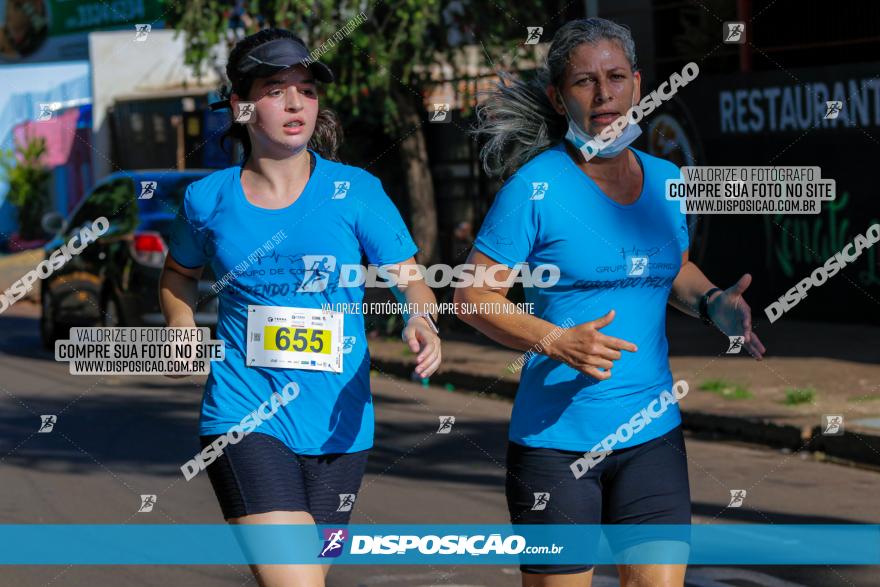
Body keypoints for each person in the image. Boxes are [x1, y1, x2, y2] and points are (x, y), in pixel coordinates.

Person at [457, 17, 765, 587]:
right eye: (584, 82)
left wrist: (715, 303)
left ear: (638, 84)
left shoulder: (667, 179)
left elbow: (674, 271)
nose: (603, 95)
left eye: (616, 77)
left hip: (652, 438)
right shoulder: (534, 188)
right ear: (558, 96)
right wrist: (555, 340)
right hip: (555, 446)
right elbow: (472, 294)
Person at [159, 28, 441, 587]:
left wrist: (421, 317)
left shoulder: (356, 190)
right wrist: (180, 324)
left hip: (341, 428)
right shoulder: (206, 198)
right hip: (244, 416)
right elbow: (178, 274)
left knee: (310, 574)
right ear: (241, 107)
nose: (295, 104)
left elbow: (413, 278)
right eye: (275, 89)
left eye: (307, 90)